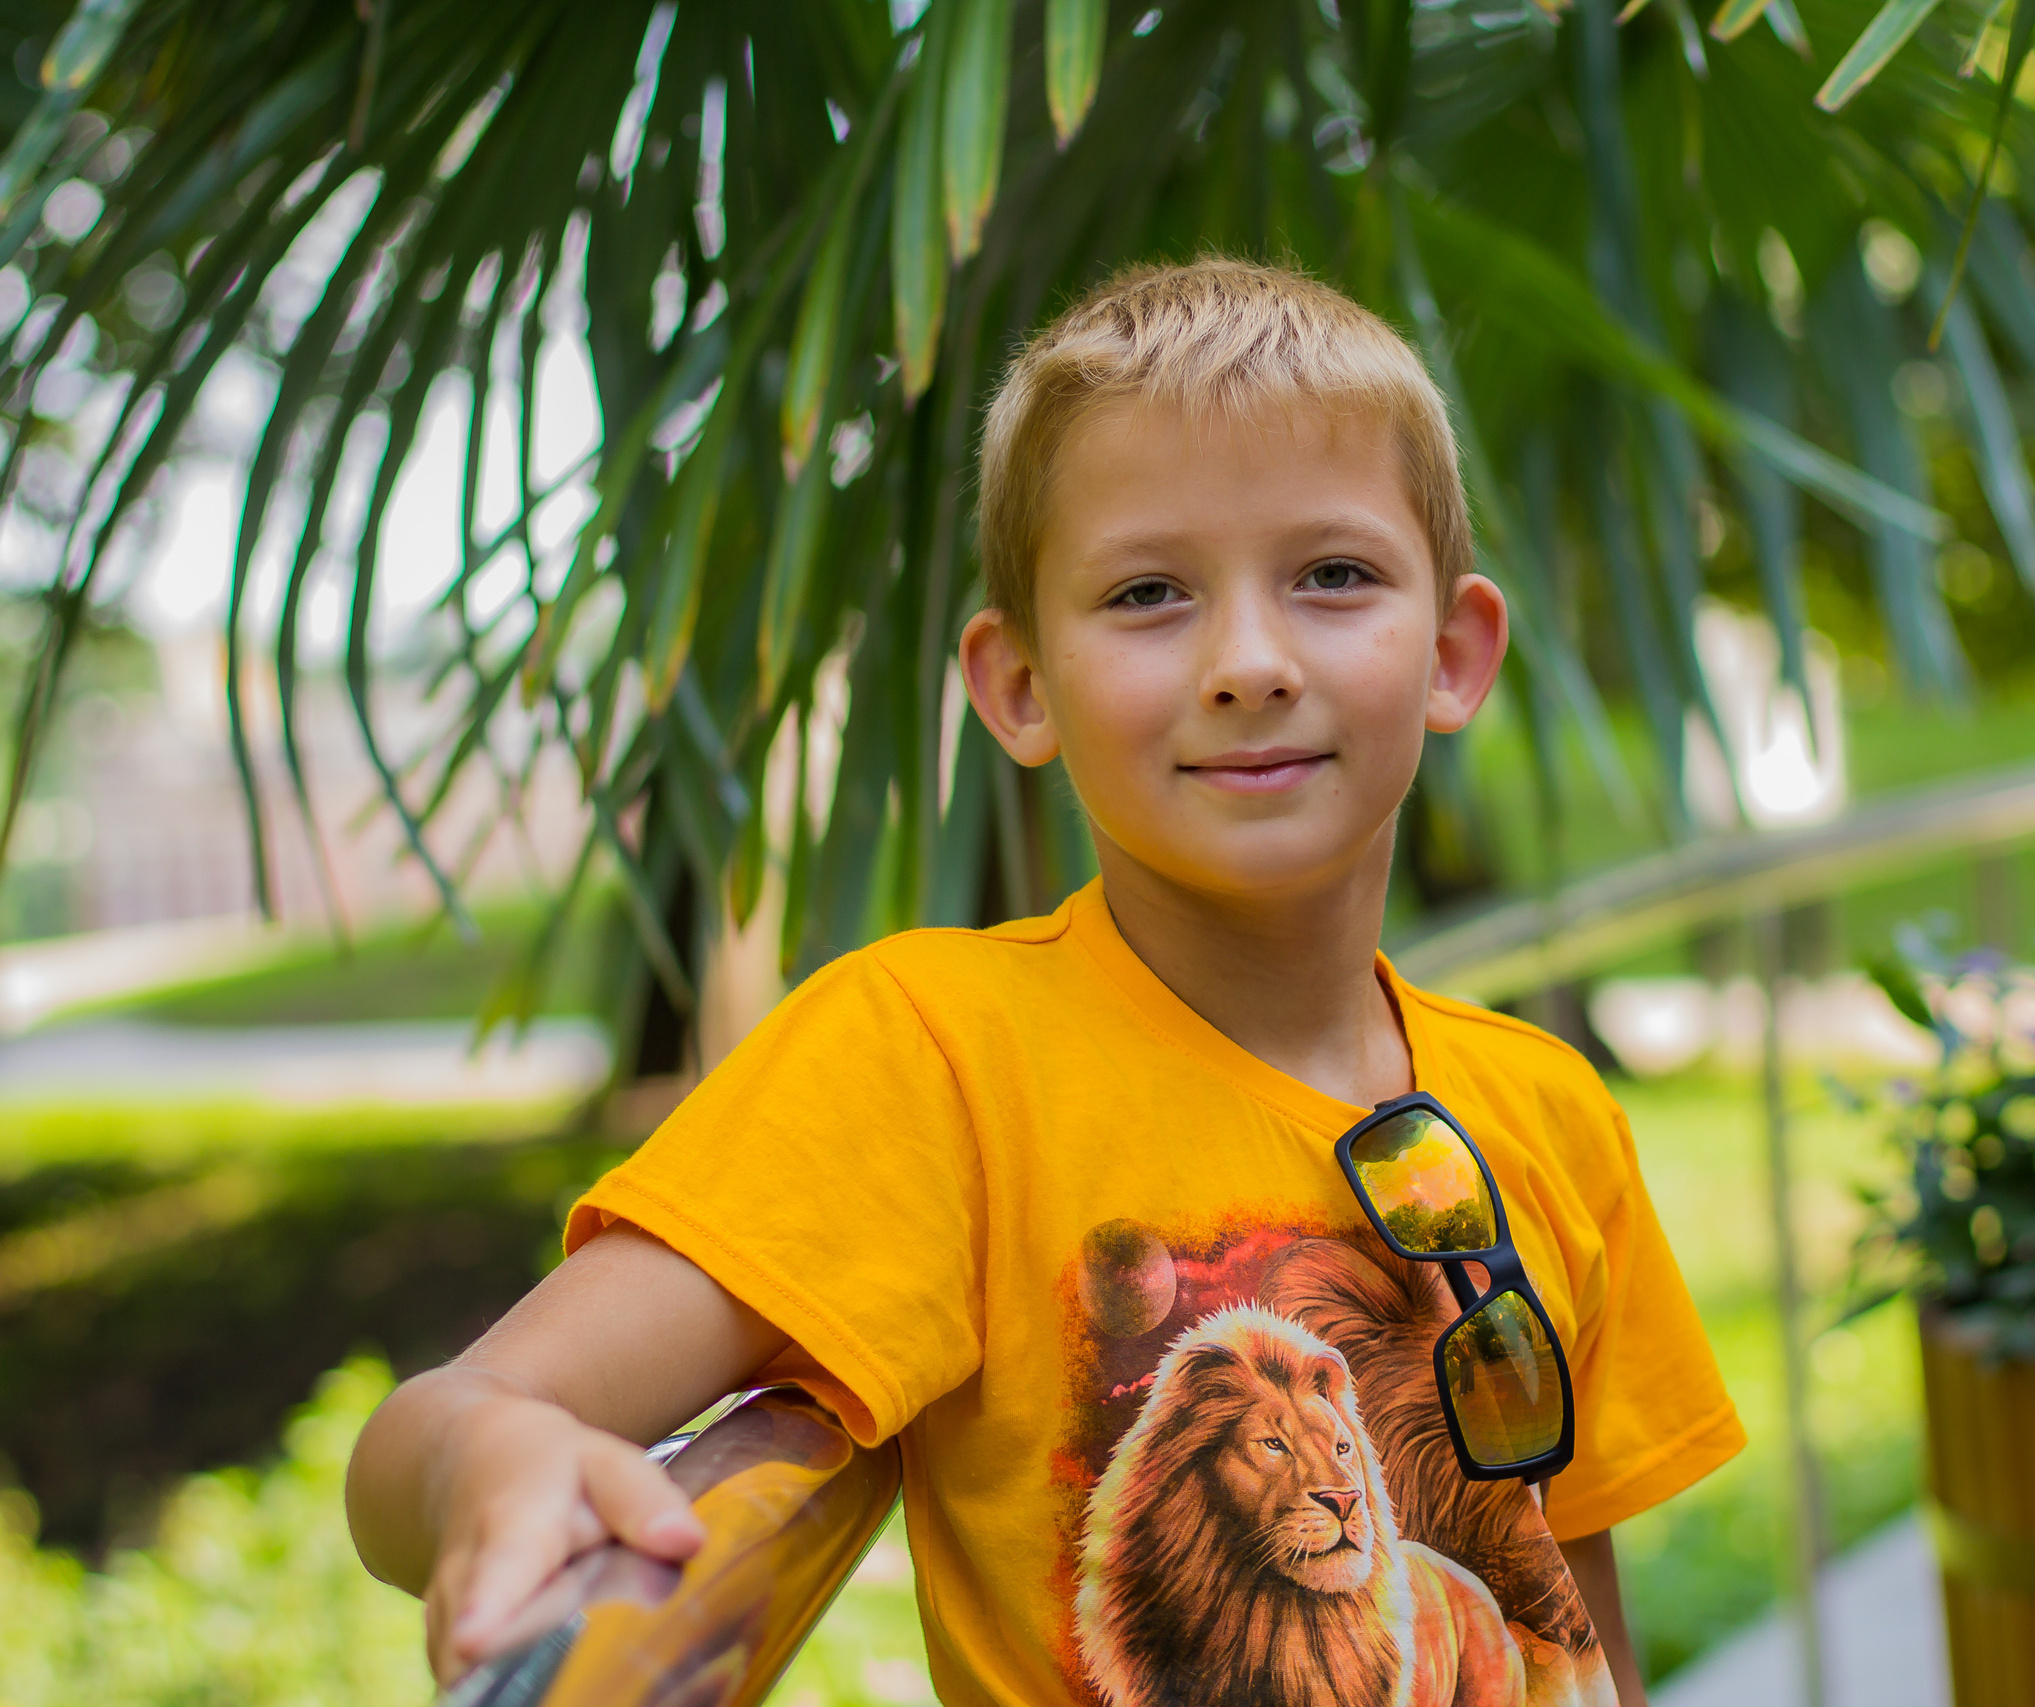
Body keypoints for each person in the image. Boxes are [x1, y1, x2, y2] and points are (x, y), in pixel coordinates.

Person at [346, 257, 1744, 1707]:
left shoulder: (1550, 1110)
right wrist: (488, 1462)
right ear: (1020, 686)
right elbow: (437, 1425)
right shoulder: (936, 1060)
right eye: (1148, 593)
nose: (1250, 662)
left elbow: (1568, 1609)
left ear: (1452, 654)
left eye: (1333, 575)